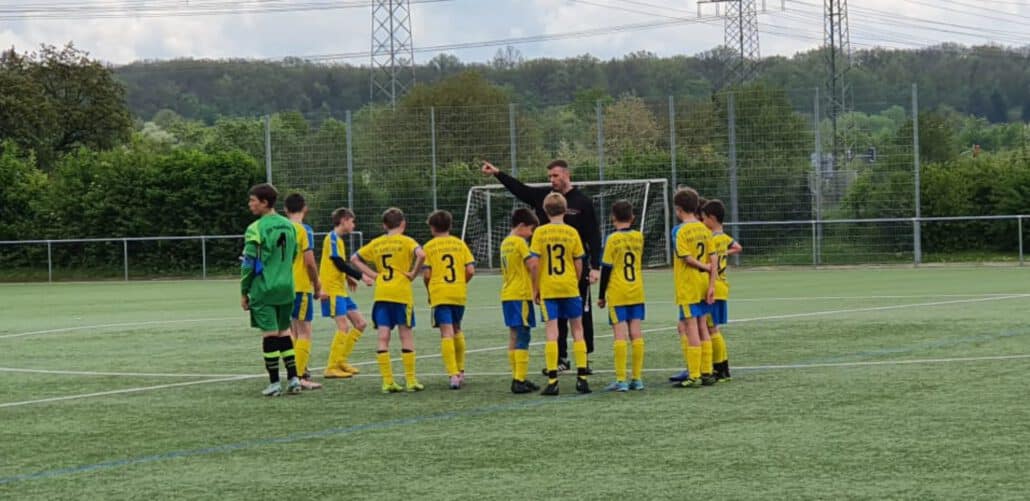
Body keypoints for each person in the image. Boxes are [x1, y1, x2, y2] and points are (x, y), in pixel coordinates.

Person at [481, 160, 601, 375]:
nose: (552, 180)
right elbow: (519, 189)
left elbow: (593, 235)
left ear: (566, 174)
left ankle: (584, 359)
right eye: (549, 177)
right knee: (556, 319)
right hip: (549, 273)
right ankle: (560, 358)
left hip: (576, 268)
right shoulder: (545, 198)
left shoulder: (582, 201)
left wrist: (595, 266)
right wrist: (498, 173)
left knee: (582, 316)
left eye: (555, 175)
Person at [350, 208, 426, 394]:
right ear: (403, 223)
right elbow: (422, 255)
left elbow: (354, 258)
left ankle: (387, 381)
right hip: (401, 293)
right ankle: (410, 380)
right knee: (405, 335)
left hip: (382, 293)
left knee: (383, 337)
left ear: (384, 225)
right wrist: (413, 273)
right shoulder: (407, 241)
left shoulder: (377, 242)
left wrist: (374, 275)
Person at [240, 183, 301, 397]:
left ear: (264, 202)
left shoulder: (255, 228)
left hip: (264, 288)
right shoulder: (290, 226)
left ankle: (274, 383)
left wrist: (244, 291)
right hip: (287, 287)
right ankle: (293, 379)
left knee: (270, 334)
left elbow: (248, 263)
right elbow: (294, 254)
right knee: (284, 332)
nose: (250, 204)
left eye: (253, 200)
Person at [530, 193, 591, 396]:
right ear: (565, 210)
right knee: (578, 330)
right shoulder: (572, 232)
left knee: (552, 332)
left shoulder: (540, 232)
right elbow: (579, 261)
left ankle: (553, 380)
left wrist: (535, 287)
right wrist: (575, 281)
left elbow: (535, 263)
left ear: (545, 211)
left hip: (549, 288)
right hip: (569, 286)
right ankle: (582, 378)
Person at [668, 188, 718, 388]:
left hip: (688, 285)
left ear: (678, 209)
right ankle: (707, 372)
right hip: (704, 284)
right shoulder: (704, 229)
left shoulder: (680, 231)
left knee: (691, 327)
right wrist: (712, 284)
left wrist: (702, 266)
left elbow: (686, 258)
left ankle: (694, 374)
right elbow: (714, 258)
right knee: (703, 325)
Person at [422, 210, 476, 389]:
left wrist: (429, 291)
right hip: (458, 292)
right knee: (457, 329)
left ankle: (453, 374)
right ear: (450, 226)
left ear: (432, 227)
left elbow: (427, 274)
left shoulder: (429, 247)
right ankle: (461, 371)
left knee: (446, 333)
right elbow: (470, 270)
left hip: (440, 293)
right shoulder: (460, 244)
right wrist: (461, 283)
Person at [319, 208, 374, 380]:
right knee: (343, 327)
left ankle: (341, 361)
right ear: (343, 220)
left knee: (361, 323)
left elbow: (338, 264)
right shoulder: (332, 238)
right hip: (331, 290)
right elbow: (338, 263)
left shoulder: (339, 240)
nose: (353, 225)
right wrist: (361, 276)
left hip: (340, 290)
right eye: (352, 221)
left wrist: (348, 278)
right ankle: (331, 367)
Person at [597, 200, 646, 392]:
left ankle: (621, 380)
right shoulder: (639, 237)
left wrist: (601, 295)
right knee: (636, 333)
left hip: (618, 292)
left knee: (619, 334)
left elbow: (606, 268)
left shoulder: (612, 239)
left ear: (613, 218)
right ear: (632, 217)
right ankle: (637, 378)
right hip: (637, 290)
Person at [284, 193, 324, 390]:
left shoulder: (281, 228)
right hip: (300, 285)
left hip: (282, 285)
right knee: (304, 332)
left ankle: (297, 370)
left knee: (291, 330)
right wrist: (317, 284)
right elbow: (309, 262)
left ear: (285, 209)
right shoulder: (304, 229)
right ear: (305, 208)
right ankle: (299, 376)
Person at [499, 208, 541, 394]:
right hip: (521, 294)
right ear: (522, 225)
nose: (531, 234)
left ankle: (517, 376)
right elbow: (533, 265)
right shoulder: (520, 242)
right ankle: (519, 379)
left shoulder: (505, 242)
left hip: (508, 293)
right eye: (530, 229)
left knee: (514, 334)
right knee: (523, 334)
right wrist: (536, 288)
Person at [701, 199, 743, 381]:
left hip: (714, 287)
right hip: (722, 286)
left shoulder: (710, 239)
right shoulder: (724, 238)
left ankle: (720, 368)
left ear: (711, 218)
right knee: (714, 328)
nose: (703, 222)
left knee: (711, 329)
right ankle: (723, 367)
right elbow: (738, 247)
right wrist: (724, 253)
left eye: (704, 218)